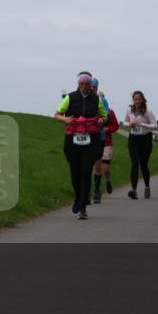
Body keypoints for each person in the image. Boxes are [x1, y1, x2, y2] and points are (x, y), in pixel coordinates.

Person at [54, 73, 106, 218]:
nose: (84, 87)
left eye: (87, 84)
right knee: (75, 173)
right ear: (78, 84)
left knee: (86, 172)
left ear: (91, 86)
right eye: (81, 84)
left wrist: (102, 120)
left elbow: (104, 115)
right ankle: (78, 197)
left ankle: (83, 207)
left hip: (90, 140)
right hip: (72, 139)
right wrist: (65, 119)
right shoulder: (70, 97)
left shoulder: (96, 99)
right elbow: (57, 114)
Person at [123, 91, 158, 199]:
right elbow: (124, 122)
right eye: (135, 99)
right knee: (134, 163)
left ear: (143, 100)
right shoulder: (130, 110)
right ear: (133, 100)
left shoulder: (147, 111)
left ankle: (147, 186)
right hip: (133, 139)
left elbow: (155, 126)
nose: (137, 101)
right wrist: (129, 124)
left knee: (143, 165)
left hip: (145, 139)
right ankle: (133, 190)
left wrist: (142, 124)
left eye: (139, 99)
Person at [92, 86, 118, 202]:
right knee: (97, 165)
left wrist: (106, 129)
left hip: (107, 142)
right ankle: (97, 191)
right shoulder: (90, 111)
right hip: (94, 141)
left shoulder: (110, 112)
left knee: (105, 167)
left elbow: (116, 126)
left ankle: (107, 180)